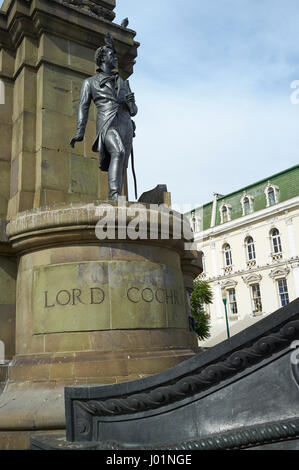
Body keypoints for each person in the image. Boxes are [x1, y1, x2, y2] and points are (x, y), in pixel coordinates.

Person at [70, 33, 138, 200]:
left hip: (125, 124)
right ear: (102, 58)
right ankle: (114, 196)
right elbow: (83, 107)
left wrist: (131, 104)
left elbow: (134, 111)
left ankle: (119, 197)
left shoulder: (123, 82)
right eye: (111, 55)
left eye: (115, 55)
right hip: (107, 123)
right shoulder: (90, 82)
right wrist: (80, 131)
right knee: (119, 152)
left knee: (122, 164)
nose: (115, 58)